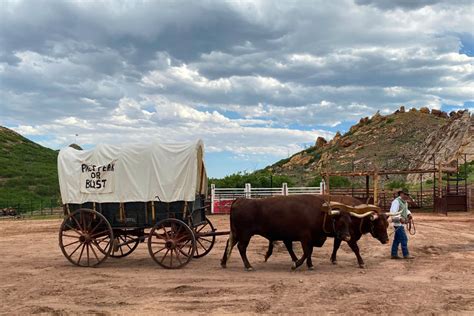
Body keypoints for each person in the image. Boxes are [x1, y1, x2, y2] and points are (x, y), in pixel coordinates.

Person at [390, 190, 414, 259]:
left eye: (408, 194)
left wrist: (409, 214)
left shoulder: (405, 202)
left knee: (397, 239)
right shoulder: (396, 202)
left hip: (401, 223)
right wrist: (400, 218)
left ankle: (394, 254)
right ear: (401, 194)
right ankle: (406, 254)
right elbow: (393, 213)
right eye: (406, 194)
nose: (407, 196)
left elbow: (405, 210)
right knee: (404, 239)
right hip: (397, 223)